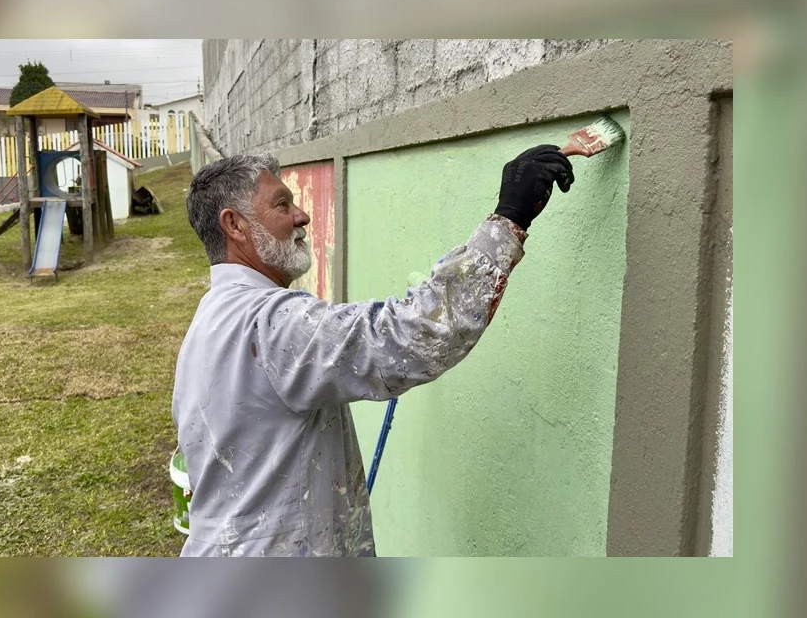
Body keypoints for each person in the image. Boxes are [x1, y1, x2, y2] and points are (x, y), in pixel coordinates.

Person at [173, 146, 575, 556]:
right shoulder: (272, 323)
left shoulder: (212, 316)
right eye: (282, 204)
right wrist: (509, 219)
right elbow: (415, 335)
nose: (302, 215)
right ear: (235, 225)